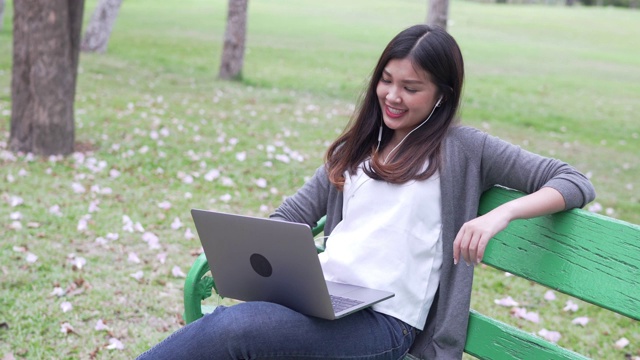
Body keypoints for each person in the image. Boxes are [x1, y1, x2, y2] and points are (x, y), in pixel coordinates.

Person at [137, 24, 595, 360]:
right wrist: (272, 262)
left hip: (386, 326)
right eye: (386, 80)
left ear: (442, 94)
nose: (392, 96)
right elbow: (289, 217)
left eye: (411, 88)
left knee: (235, 332)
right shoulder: (360, 148)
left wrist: (499, 215)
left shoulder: (463, 149)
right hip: (323, 300)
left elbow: (574, 181)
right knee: (235, 329)